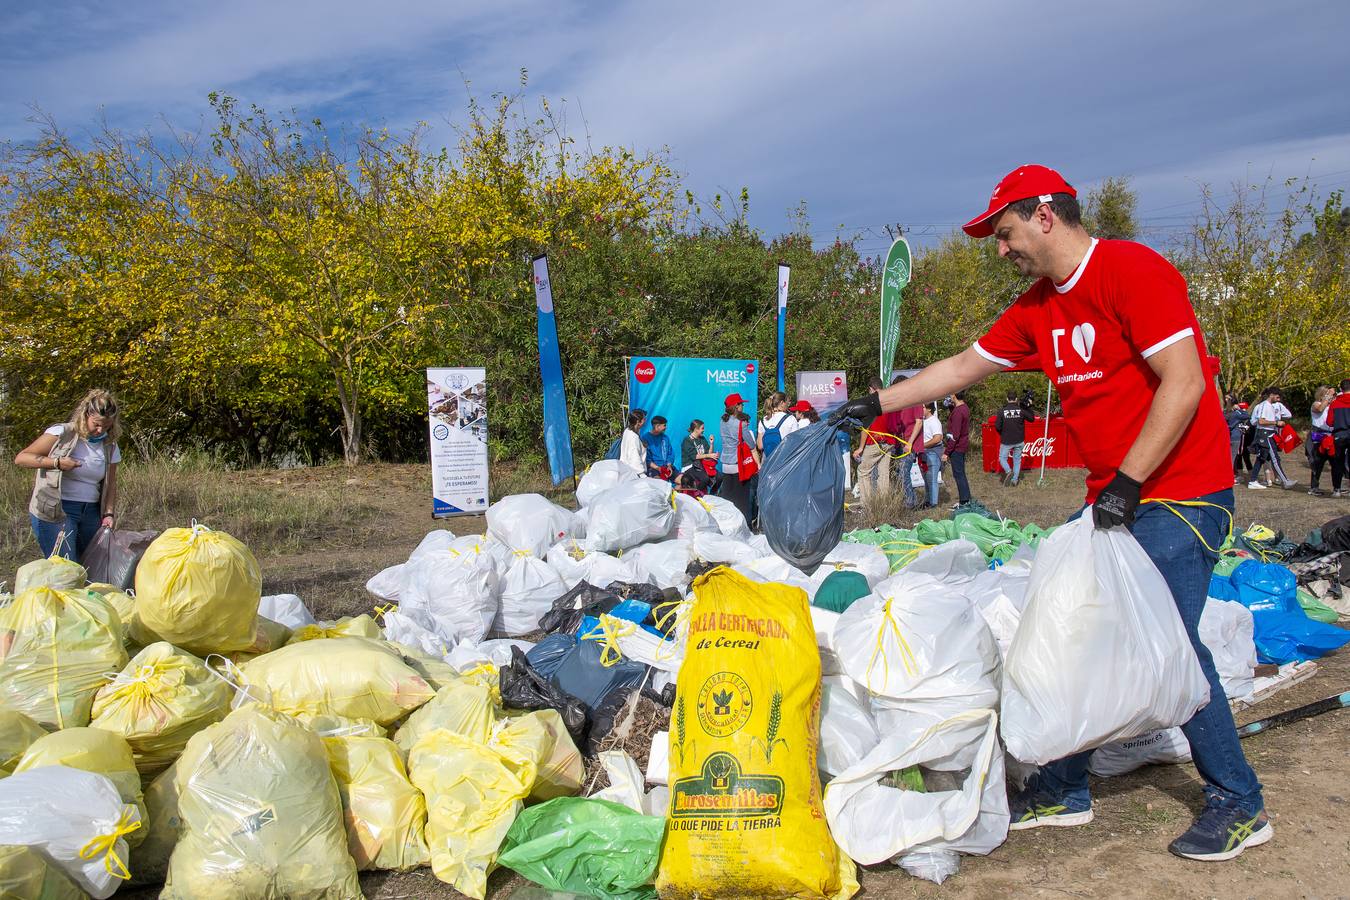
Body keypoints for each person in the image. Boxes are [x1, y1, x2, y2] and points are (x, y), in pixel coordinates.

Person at [832, 164, 1267, 861]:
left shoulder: (1130, 271)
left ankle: (1240, 802)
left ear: (1043, 215)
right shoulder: (1039, 309)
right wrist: (875, 403)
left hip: (1182, 493)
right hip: (1117, 500)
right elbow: (962, 367)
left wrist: (1126, 481)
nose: (1002, 251)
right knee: (1064, 626)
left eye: (1005, 235)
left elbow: (1184, 382)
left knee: (1170, 644)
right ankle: (1065, 787)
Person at [15, 389, 122, 562]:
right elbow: (21, 459)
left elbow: (111, 484)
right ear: (85, 415)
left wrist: (109, 514)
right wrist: (57, 463)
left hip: (91, 512)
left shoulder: (110, 446)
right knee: (66, 564)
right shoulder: (62, 433)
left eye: (107, 425)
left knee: (91, 565)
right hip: (58, 509)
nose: (100, 429)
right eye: (96, 424)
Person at [851, 377, 897, 505]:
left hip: (874, 443)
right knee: (883, 474)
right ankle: (883, 504)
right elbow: (895, 424)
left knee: (863, 471)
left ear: (872, 388)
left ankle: (866, 505)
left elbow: (866, 428)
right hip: (888, 442)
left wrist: (860, 448)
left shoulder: (870, 403)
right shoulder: (890, 402)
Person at [717, 393, 758, 522]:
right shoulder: (741, 424)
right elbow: (752, 444)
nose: (743, 406)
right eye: (741, 404)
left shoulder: (722, 421)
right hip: (738, 464)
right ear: (736, 406)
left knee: (728, 497)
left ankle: (727, 524)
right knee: (741, 499)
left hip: (725, 464)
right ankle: (744, 526)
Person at [1247, 388, 1295, 490]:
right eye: (1277, 397)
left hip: (1267, 433)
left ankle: (1252, 481)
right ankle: (1285, 481)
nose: (1278, 400)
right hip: (1266, 434)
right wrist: (1276, 423)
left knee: (1261, 458)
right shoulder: (1266, 406)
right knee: (1275, 458)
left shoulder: (1267, 406)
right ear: (1271, 395)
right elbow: (1261, 421)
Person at [995, 390, 1036, 486]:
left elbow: (997, 426)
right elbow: (1032, 419)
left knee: (1002, 458)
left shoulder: (1002, 411)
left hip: (1006, 440)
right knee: (1017, 460)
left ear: (1007, 399)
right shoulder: (1021, 410)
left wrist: (1002, 433)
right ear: (1016, 399)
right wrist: (1029, 407)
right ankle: (1014, 480)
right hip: (1019, 440)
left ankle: (1009, 471)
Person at [943, 391, 973, 507]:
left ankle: (965, 501)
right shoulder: (964, 408)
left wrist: (947, 452)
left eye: (950, 394)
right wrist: (951, 406)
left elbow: (954, 435)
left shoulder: (958, 412)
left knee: (958, 474)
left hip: (957, 447)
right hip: (962, 444)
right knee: (961, 473)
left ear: (954, 395)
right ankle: (966, 498)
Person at [1307, 386, 1334, 496]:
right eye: (1328, 394)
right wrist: (1328, 396)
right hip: (1318, 436)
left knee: (1335, 462)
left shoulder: (1331, 405)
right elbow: (1320, 409)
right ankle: (1314, 487)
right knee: (1317, 463)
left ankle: (1337, 486)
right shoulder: (1316, 404)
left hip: (1330, 435)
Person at [679, 419, 718, 491]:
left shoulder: (702, 438)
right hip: (690, 466)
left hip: (701, 465)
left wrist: (711, 443)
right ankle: (697, 494)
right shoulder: (687, 440)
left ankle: (712, 495)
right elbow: (694, 456)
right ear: (696, 429)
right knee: (705, 478)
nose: (704, 430)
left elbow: (708, 453)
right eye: (702, 428)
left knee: (719, 477)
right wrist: (709, 456)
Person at [918, 402, 945, 508]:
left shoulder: (934, 421)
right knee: (926, 479)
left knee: (932, 479)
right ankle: (928, 501)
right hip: (924, 453)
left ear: (929, 409)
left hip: (932, 452)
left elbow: (938, 438)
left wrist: (923, 445)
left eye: (923, 407)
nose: (921, 409)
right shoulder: (923, 421)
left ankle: (933, 503)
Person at [758, 391, 796, 461]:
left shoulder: (763, 420)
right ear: (782, 403)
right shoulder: (790, 418)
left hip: (767, 461)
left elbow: (760, 446)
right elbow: (795, 443)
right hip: (784, 459)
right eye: (786, 403)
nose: (788, 405)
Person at [1328, 379, 1350, 498]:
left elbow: (1329, 422)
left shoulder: (1335, 403)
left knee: (1337, 462)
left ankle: (1337, 489)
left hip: (1339, 434)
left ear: (1341, 389)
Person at [1223, 395, 1249, 485]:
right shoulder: (1236, 414)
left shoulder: (1225, 412)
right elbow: (1246, 415)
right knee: (1232, 458)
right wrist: (1239, 409)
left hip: (1226, 436)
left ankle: (1228, 475)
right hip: (1235, 437)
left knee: (1227, 458)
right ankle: (1228, 477)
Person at [642, 415, 676, 481]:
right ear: (657, 426)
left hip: (666, 467)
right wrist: (658, 468)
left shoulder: (665, 438)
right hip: (653, 468)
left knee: (685, 480)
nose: (666, 427)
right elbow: (646, 459)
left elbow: (670, 453)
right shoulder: (645, 438)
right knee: (659, 483)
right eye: (664, 425)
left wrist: (669, 465)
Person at [619, 408, 648, 475]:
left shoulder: (627, 431)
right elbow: (635, 458)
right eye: (644, 419)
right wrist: (642, 475)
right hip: (634, 475)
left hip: (627, 472)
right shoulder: (633, 437)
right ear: (638, 422)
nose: (645, 420)